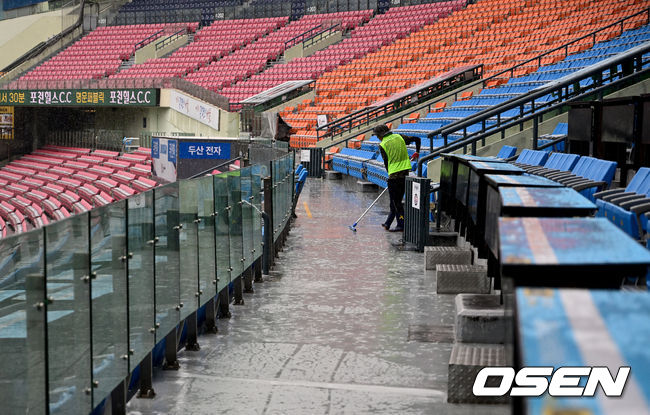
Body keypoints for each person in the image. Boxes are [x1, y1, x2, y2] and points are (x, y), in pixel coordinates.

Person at [374, 124, 420, 232]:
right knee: (396, 201)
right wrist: (417, 152)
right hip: (405, 174)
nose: (377, 138)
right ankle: (388, 223)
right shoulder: (399, 137)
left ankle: (401, 225)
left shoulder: (383, 144)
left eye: (377, 136)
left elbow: (386, 163)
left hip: (394, 176)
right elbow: (417, 139)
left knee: (396, 203)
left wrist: (390, 174)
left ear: (381, 135)